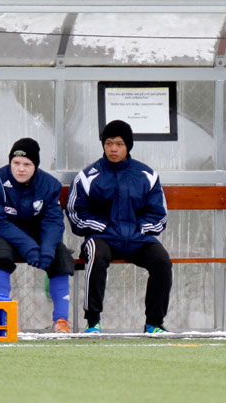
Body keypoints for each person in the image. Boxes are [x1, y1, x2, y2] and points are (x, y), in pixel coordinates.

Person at [66, 120, 171, 334]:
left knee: (162, 261)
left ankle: (154, 323)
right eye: (109, 143)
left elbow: (159, 216)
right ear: (103, 145)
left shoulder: (146, 175)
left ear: (128, 146)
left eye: (120, 144)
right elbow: (76, 213)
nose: (113, 148)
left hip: (137, 238)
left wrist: (139, 229)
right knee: (95, 253)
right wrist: (102, 228)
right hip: (102, 238)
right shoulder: (88, 176)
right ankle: (93, 321)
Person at [0, 138, 75, 333]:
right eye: (16, 163)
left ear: (35, 166)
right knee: (0, 252)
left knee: (59, 253)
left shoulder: (50, 185)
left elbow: (53, 222)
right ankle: (3, 319)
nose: (20, 169)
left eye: (27, 164)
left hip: (30, 234)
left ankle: (61, 322)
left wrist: (47, 249)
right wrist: (29, 246)